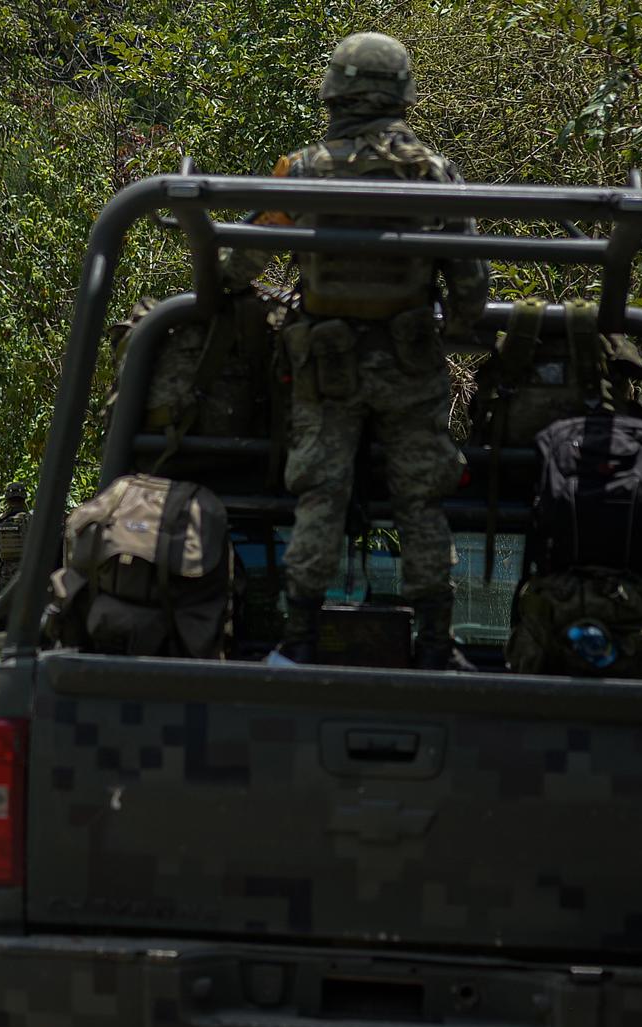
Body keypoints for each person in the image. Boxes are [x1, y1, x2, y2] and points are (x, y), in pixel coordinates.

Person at [225, 32, 490, 668]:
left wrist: (230, 284)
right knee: (421, 500)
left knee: (320, 494)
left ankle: (300, 641)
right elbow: (472, 283)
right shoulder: (433, 170)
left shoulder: (304, 170)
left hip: (327, 365)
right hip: (410, 363)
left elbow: (244, 260)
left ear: (335, 89)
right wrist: (458, 326)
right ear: (401, 91)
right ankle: (434, 645)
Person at [0, 482, 32, 593]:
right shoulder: (33, 520)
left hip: (7, 575)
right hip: (30, 572)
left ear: (7, 500)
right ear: (24, 499)